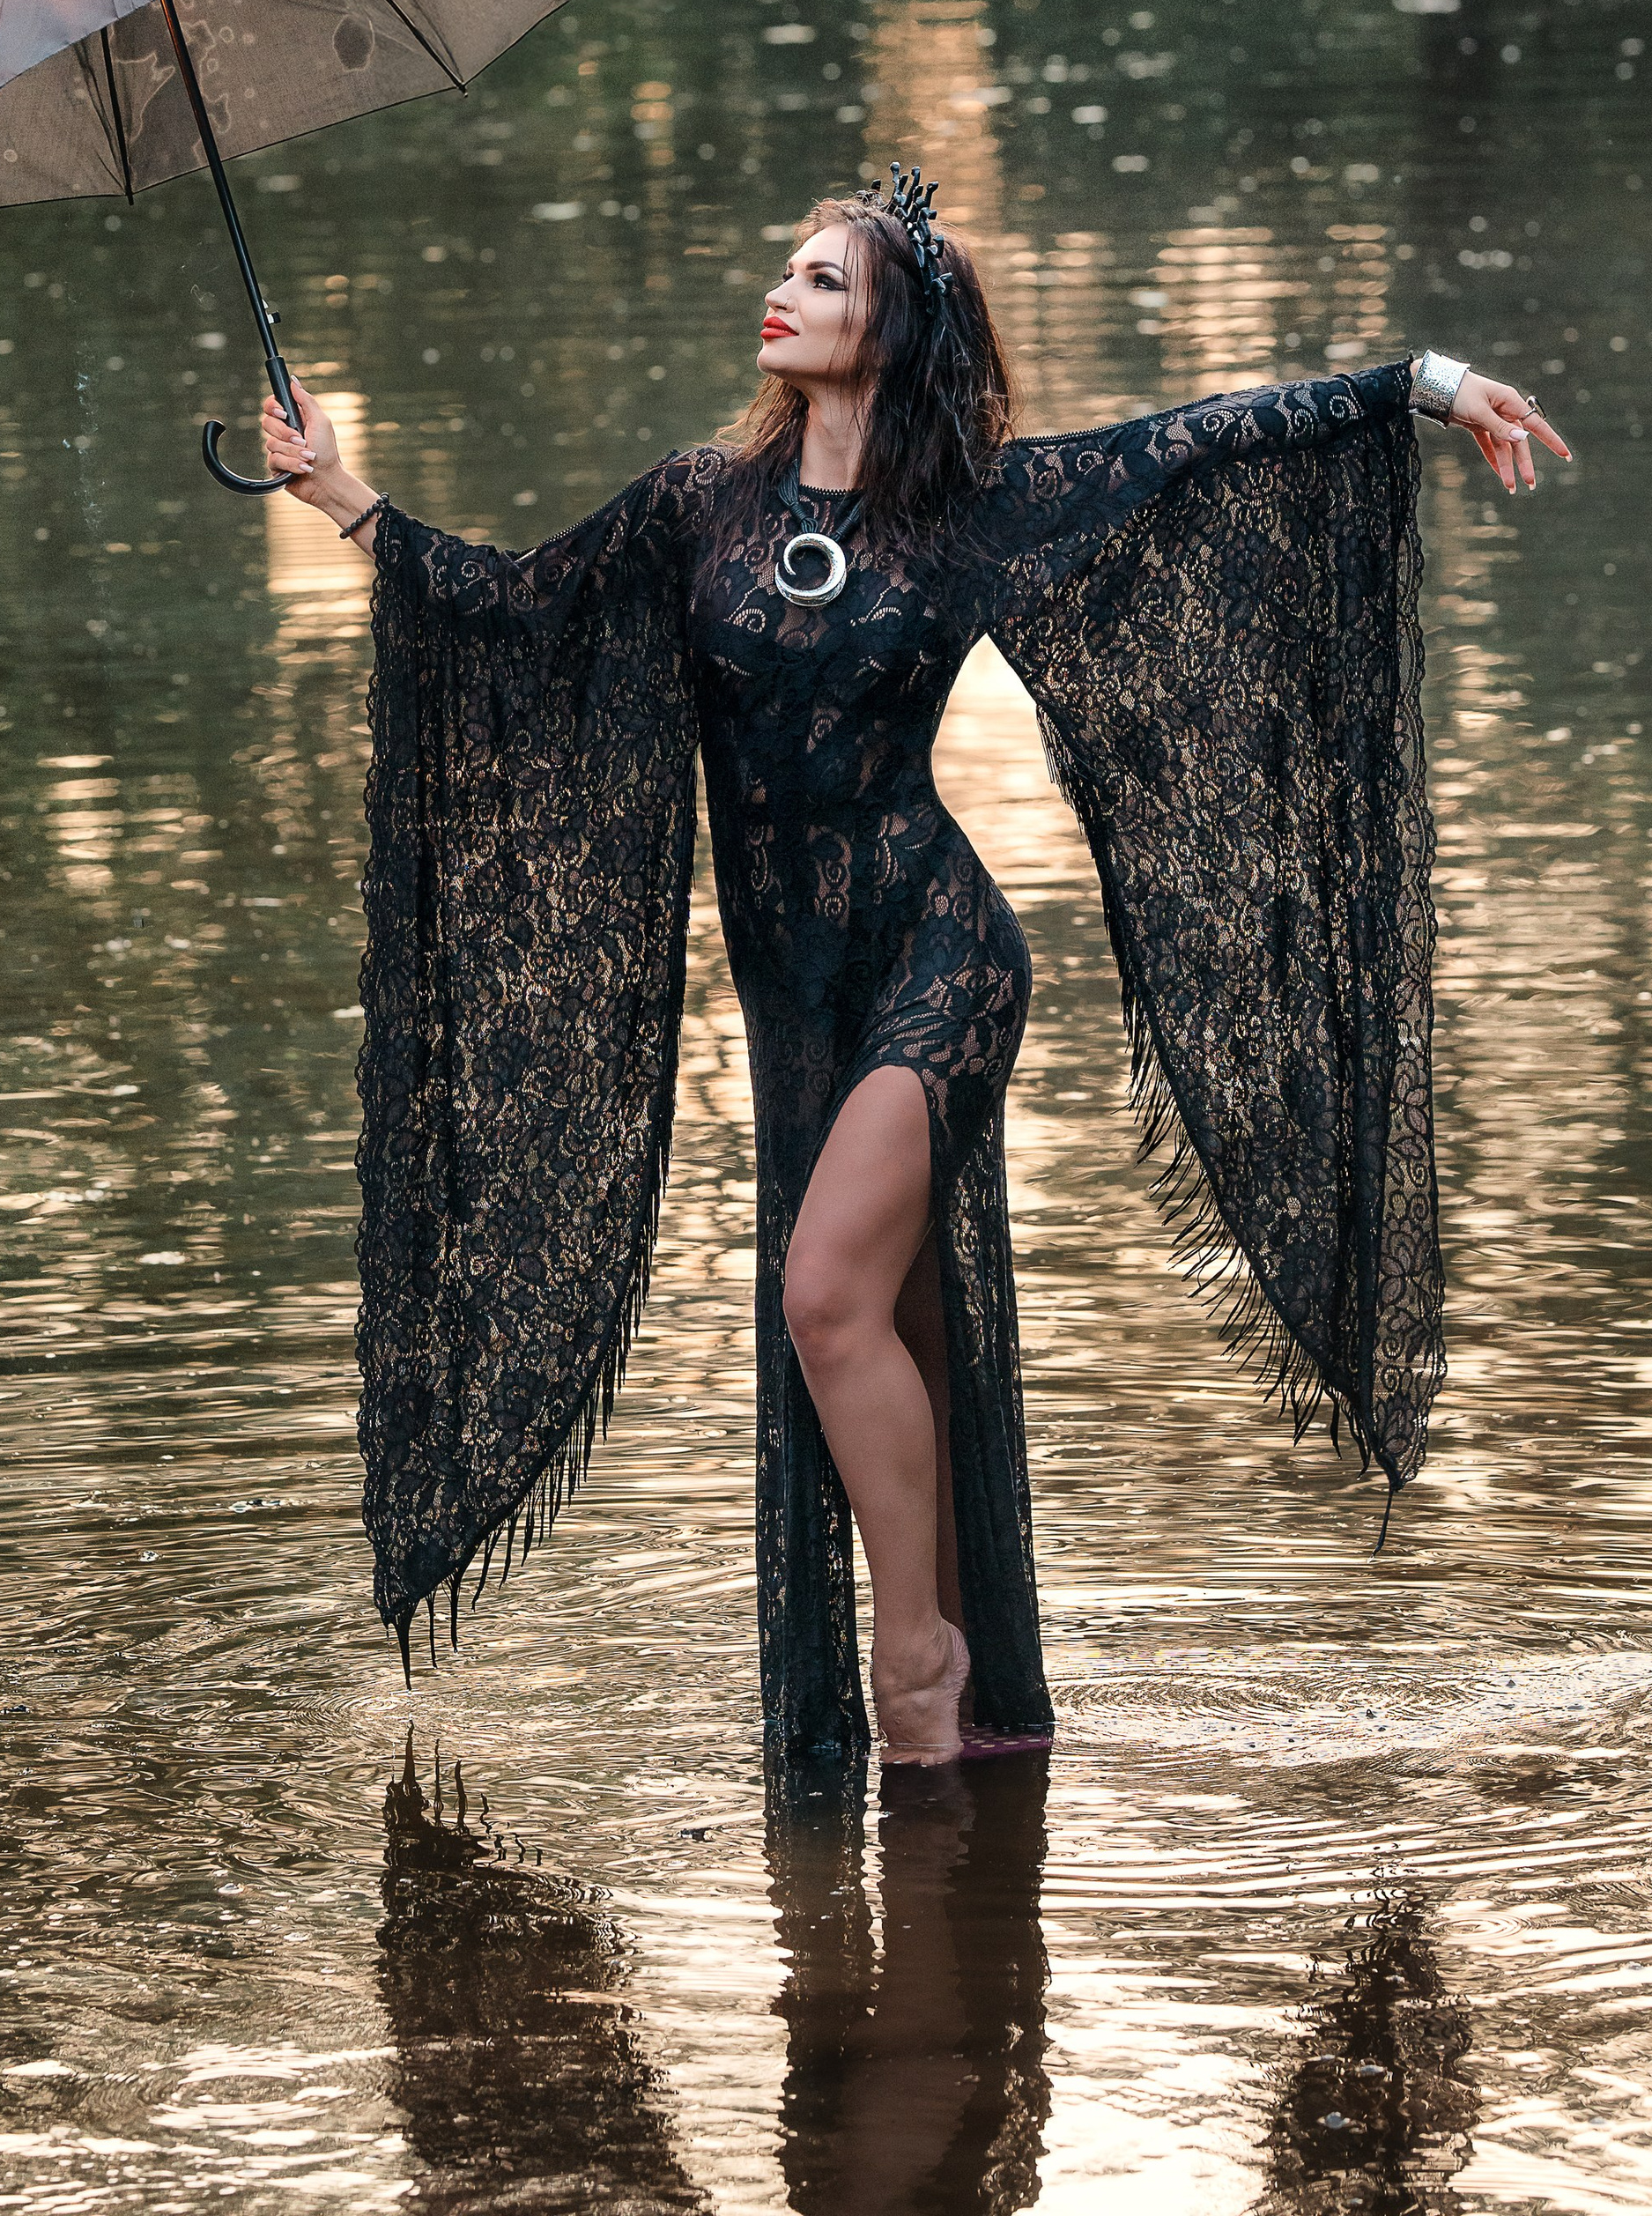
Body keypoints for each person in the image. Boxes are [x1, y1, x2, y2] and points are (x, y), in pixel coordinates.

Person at [259, 167, 1568, 1768]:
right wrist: (341, 496)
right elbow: (524, 611)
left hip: (943, 962)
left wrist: (1424, 387)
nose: (786, 291)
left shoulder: (965, 511)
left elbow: (1198, 442)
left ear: (888, 332)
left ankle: (918, 1649)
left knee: (824, 1299)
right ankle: (958, 1692)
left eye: (825, 279)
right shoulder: (699, 506)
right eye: (790, 269)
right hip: (794, 996)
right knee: (889, 1317)